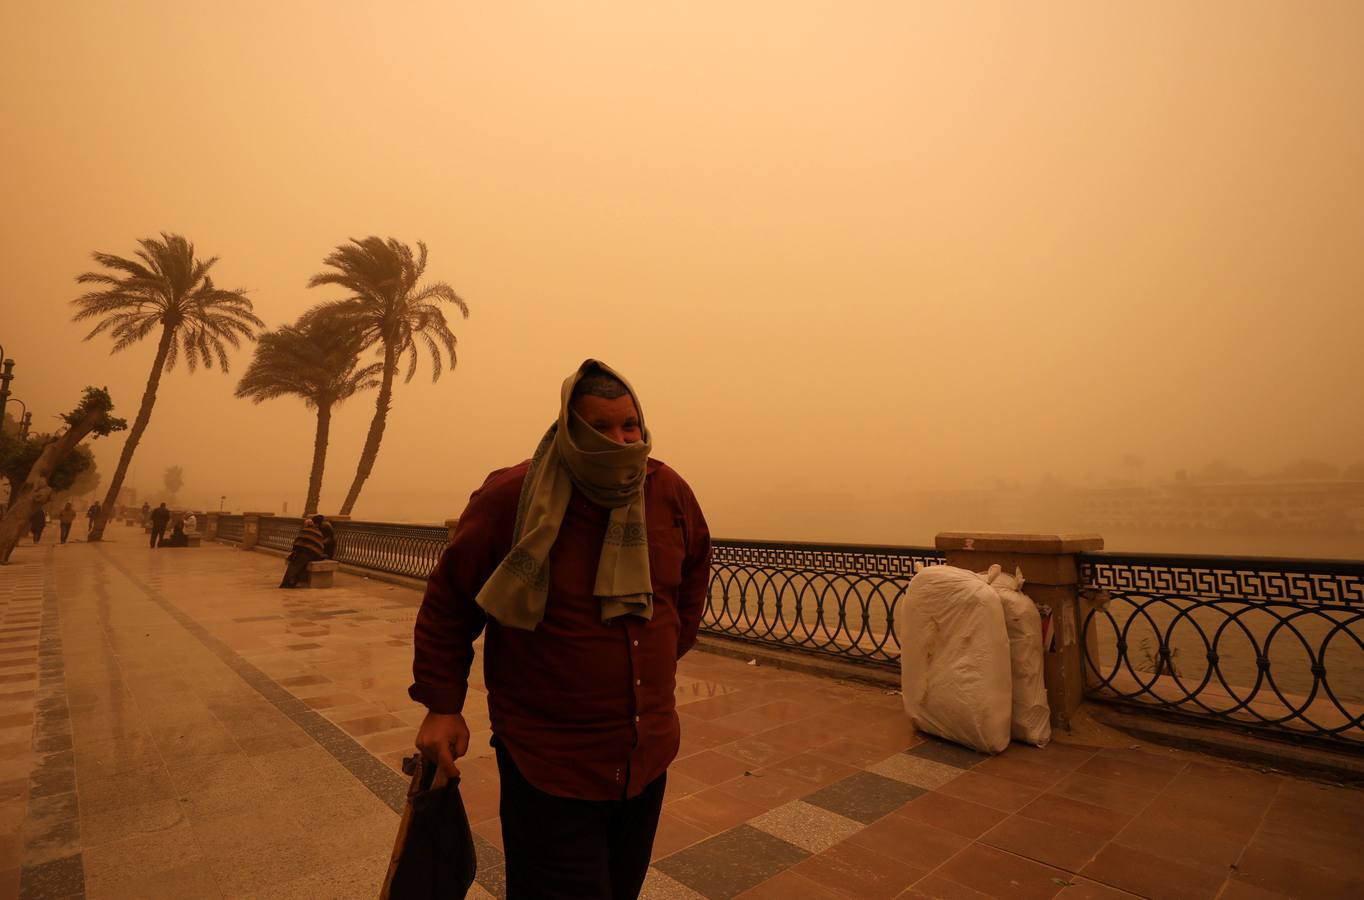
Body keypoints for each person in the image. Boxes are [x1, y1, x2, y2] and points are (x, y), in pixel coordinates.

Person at [410, 360, 711, 899]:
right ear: (569, 428)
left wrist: (657, 659)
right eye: (598, 428)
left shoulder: (667, 492)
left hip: (645, 753)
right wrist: (442, 704)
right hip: (548, 761)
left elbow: (691, 584)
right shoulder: (515, 496)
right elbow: (450, 601)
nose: (619, 440)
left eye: (629, 426)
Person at [279, 514, 332, 588]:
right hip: (311, 554)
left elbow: (296, 543)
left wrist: (295, 551)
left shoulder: (304, 530)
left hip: (300, 553)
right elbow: (319, 546)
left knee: (294, 563)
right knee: (300, 563)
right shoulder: (318, 532)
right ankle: (292, 580)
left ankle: (289, 581)